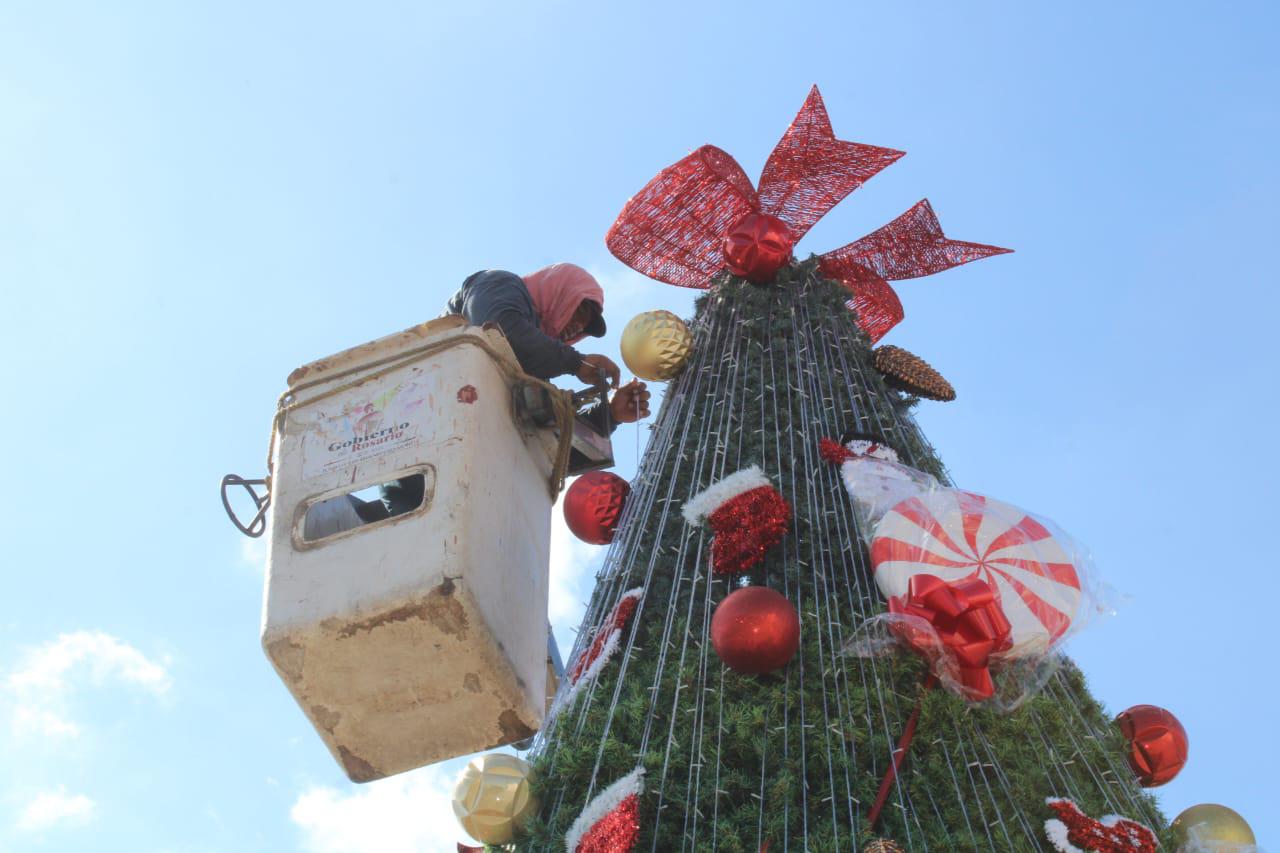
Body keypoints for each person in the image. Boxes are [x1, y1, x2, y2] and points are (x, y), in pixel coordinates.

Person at [380, 263, 651, 516]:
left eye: (586, 326)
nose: (579, 326)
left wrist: (611, 414)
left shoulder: (529, 373)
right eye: (580, 311)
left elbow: (552, 449)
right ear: (558, 289)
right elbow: (500, 331)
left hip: (459, 489)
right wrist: (576, 362)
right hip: (418, 451)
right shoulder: (498, 283)